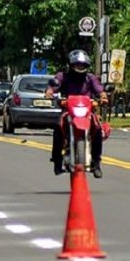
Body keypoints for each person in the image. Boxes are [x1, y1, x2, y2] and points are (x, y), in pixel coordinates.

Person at [45, 49, 108, 178]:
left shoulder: (90, 78)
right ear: (71, 65)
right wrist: (49, 91)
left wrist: (103, 96)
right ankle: (57, 160)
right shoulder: (63, 76)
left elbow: (99, 89)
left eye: (82, 65)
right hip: (68, 112)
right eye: (77, 65)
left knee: (97, 128)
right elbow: (54, 86)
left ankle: (96, 163)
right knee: (58, 127)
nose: (80, 67)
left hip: (87, 113)